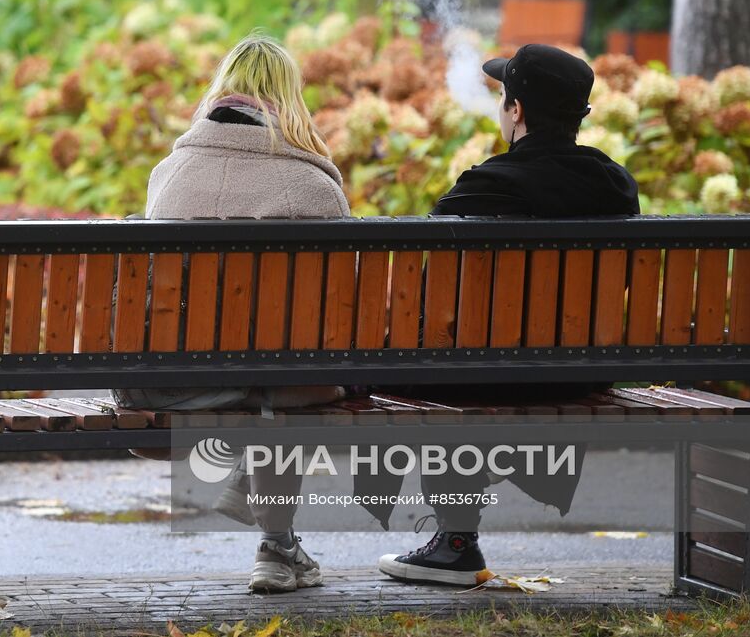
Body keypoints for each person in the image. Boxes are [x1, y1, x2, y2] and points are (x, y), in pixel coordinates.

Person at [373, 43, 640, 586]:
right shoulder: (616, 185)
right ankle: (454, 540)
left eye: (504, 97)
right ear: (578, 116)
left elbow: (434, 290)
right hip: (583, 372)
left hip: (483, 372)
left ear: (516, 111)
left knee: (425, 366)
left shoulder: (488, 183)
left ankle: (455, 542)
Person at [110, 33, 349, 594]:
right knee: (295, 377)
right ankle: (275, 544)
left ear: (222, 93)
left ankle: (278, 545)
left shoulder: (168, 175)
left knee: (272, 376)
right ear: (290, 100)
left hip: (169, 385)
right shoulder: (313, 187)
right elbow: (339, 312)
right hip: (276, 382)